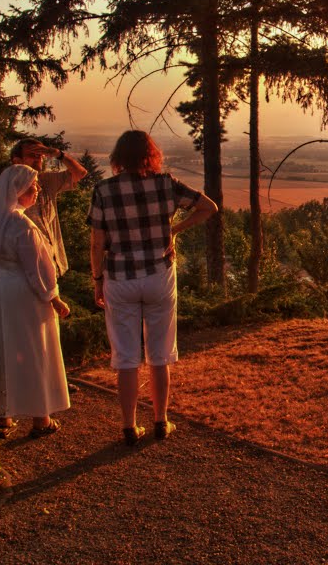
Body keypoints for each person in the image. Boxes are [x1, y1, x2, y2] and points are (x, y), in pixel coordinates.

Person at [88, 131, 217, 445]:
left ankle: (129, 427)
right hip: (159, 275)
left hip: (119, 277)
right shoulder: (166, 184)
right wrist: (173, 231)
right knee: (160, 353)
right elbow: (208, 207)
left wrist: (97, 279)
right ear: (152, 154)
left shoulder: (104, 190)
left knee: (126, 356)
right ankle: (161, 421)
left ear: (118, 157)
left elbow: (96, 242)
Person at [0, 165, 72, 439]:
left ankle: (2, 415)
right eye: (34, 187)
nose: (38, 190)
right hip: (19, 292)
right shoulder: (21, 224)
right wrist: (53, 298)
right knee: (30, 350)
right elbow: (37, 267)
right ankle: (40, 418)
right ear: (19, 191)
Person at [10, 138, 88, 277]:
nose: (38, 159)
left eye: (40, 155)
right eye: (32, 155)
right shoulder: (8, 189)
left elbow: (80, 173)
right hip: (25, 267)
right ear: (17, 161)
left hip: (52, 262)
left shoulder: (46, 181)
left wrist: (58, 154)